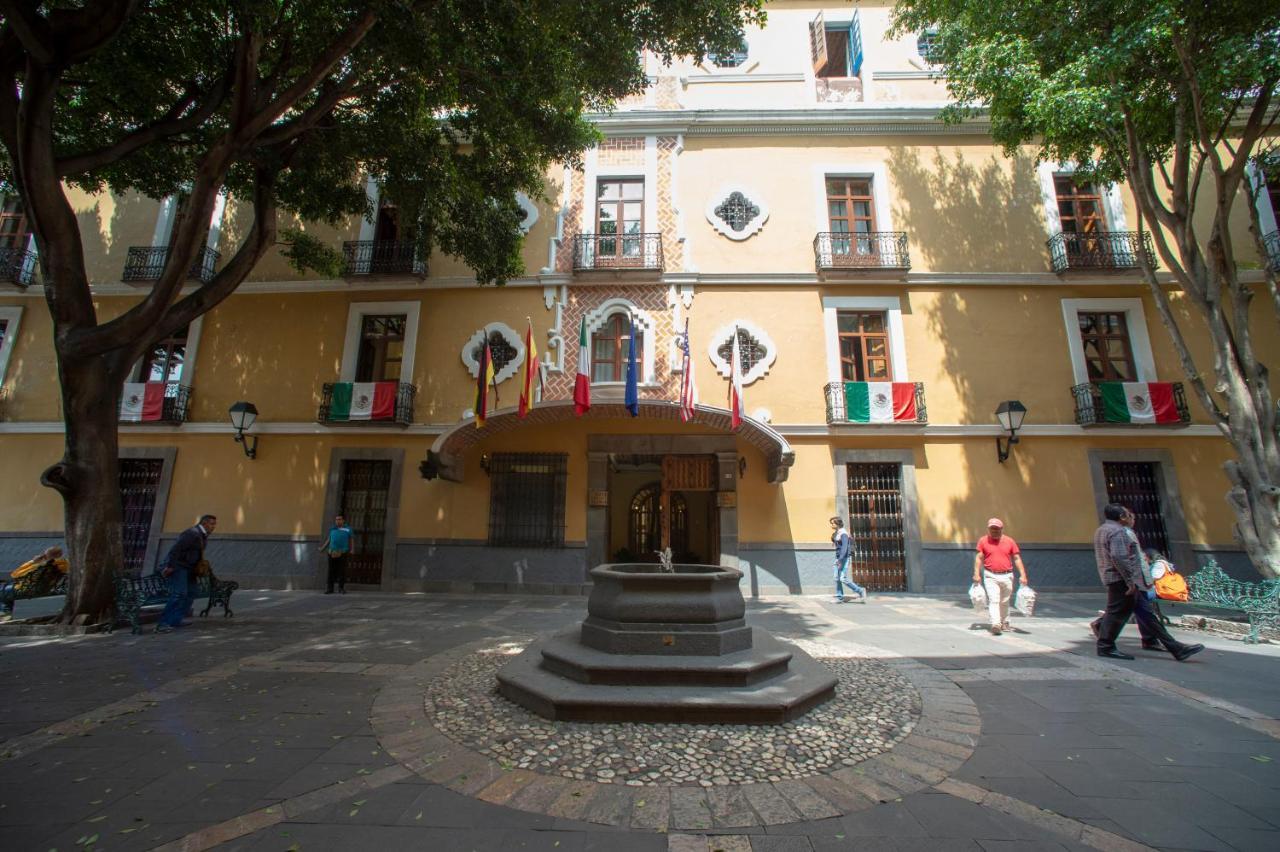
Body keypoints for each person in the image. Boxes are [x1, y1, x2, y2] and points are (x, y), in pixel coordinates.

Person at [1096, 509, 1202, 662]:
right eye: (1128, 515)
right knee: (1119, 612)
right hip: (1124, 580)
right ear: (1121, 517)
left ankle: (1175, 648)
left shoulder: (1102, 529)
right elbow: (1118, 557)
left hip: (1118, 578)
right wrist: (1130, 581)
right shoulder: (1117, 531)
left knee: (1145, 614)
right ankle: (1105, 646)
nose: (1132, 518)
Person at [157, 514, 216, 633]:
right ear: (204, 523)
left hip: (190, 569)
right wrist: (170, 566)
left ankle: (176, 619)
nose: (213, 526)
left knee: (191, 592)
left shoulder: (202, 535)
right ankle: (164, 623)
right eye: (212, 524)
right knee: (179, 594)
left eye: (214, 524)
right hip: (179, 567)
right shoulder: (191, 533)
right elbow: (175, 550)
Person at [973, 518, 1028, 635]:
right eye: (992, 529)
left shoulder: (1009, 541)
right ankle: (996, 624)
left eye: (997, 529)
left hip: (1007, 575)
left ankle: (1005, 622)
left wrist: (1023, 575)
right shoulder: (983, 541)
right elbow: (979, 558)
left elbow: (1017, 558)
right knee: (994, 600)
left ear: (1001, 529)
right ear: (988, 529)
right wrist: (976, 574)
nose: (994, 531)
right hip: (990, 575)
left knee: (1005, 601)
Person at [1, 546, 70, 617]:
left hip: (26, 589)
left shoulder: (39, 566)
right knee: (7, 588)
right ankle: (5, 612)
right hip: (47, 589)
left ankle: (4, 612)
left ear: (45, 555)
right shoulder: (64, 564)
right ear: (61, 555)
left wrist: (32, 562)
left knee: (2, 592)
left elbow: (15, 574)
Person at [829, 517, 867, 603]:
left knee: (842, 578)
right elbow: (835, 540)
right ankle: (840, 597)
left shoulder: (843, 534)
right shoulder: (837, 533)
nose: (831, 525)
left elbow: (845, 548)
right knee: (836, 578)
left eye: (833, 523)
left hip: (844, 558)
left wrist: (840, 559)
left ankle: (860, 590)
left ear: (838, 524)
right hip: (838, 558)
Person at [324, 514, 353, 595]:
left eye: (339, 519)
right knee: (331, 571)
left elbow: (351, 539)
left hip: (343, 552)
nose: (338, 521)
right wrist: (323, 548)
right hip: (332, 552)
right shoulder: (332, 529)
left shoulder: (348, 529)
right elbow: (329, 539)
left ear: (343, 520)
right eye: (336, 519)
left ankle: (341, 588)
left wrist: (352, 549)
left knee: (342, 571)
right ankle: (330, 588)